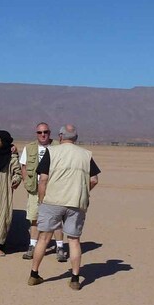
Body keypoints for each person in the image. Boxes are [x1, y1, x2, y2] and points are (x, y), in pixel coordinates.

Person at [27, 123, 101, 290]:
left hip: (52, 201)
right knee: (74, 240)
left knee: (43, 238)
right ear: (76, 138)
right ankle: (75, 279)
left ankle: (34, 274)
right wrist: (83, 191)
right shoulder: (86, 155)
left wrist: (41, 199)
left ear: (60, 137)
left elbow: (43, 179)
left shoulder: (51, 152)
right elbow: (94, 179)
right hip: (76, 203)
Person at [19, 123, 64, 260]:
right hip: (35, 189)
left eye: (45, 132)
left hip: (53, 189)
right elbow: (24, 166)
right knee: (34, 218)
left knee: (56, 219)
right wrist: (26, 182)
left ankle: (60, 247)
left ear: (50, 133)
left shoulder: (58, 147)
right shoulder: (30, 148)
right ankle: (32, 246)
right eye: (40, 132)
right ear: (36, 133)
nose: (43, 135)